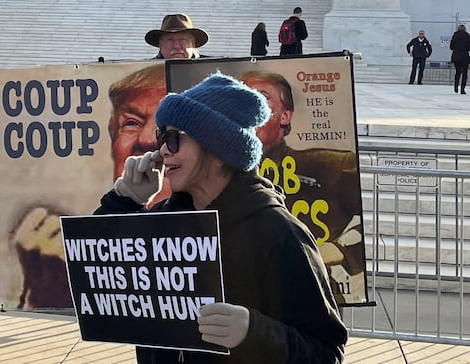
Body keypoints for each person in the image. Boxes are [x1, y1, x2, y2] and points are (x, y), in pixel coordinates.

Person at [96, 73, 348, 363]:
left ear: (218, 150)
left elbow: (326, 353)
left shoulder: (279, 232)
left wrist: (254, 333)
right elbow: (96, 274)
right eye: (162, 137)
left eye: (175, 138)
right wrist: (125, 201)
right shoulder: (165, 220)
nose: (163, 149)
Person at [238, 70, 364, 295]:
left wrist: (340, 249)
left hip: (311, 291)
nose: (248, 104)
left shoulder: (331, 166)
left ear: (285, 117)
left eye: (261, 97)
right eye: (240, 95)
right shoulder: (212, 169)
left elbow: (363, 221)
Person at [449, 24, 470, 94]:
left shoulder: (455, 36)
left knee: (457, 72)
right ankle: (462, 89)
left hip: (456, 56)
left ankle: (456, 86)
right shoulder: (467, 36)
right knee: (464, 73)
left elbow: (451, 47)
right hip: (464, 56)